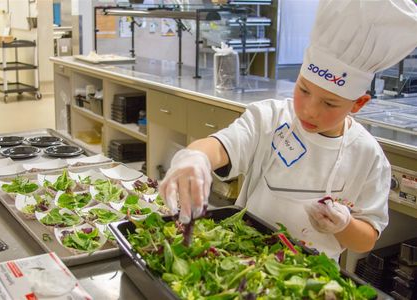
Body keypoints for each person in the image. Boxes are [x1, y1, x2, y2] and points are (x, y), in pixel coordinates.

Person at [159, 0, 417, 261]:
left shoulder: (368, 157)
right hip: (244, 260)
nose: (309, 110)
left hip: (310, 277)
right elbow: (221, 146)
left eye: (329, 103)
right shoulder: (269, 118)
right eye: (303, 90)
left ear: (358, 103)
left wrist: (344, 225)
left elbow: (366, 239)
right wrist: (196, 156)